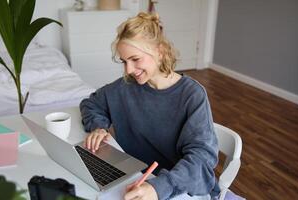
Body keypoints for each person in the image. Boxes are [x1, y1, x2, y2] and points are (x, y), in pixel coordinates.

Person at [79, 12, 220, 200]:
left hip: (178, 186)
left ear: (159, 52)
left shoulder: (192, 95)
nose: (128, 70)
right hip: (135, 178)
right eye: (124, 61)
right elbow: (91, 104)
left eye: (135, 59)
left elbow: (202, 160)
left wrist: (158, 188)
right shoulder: (125, 86)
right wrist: (98, 127)